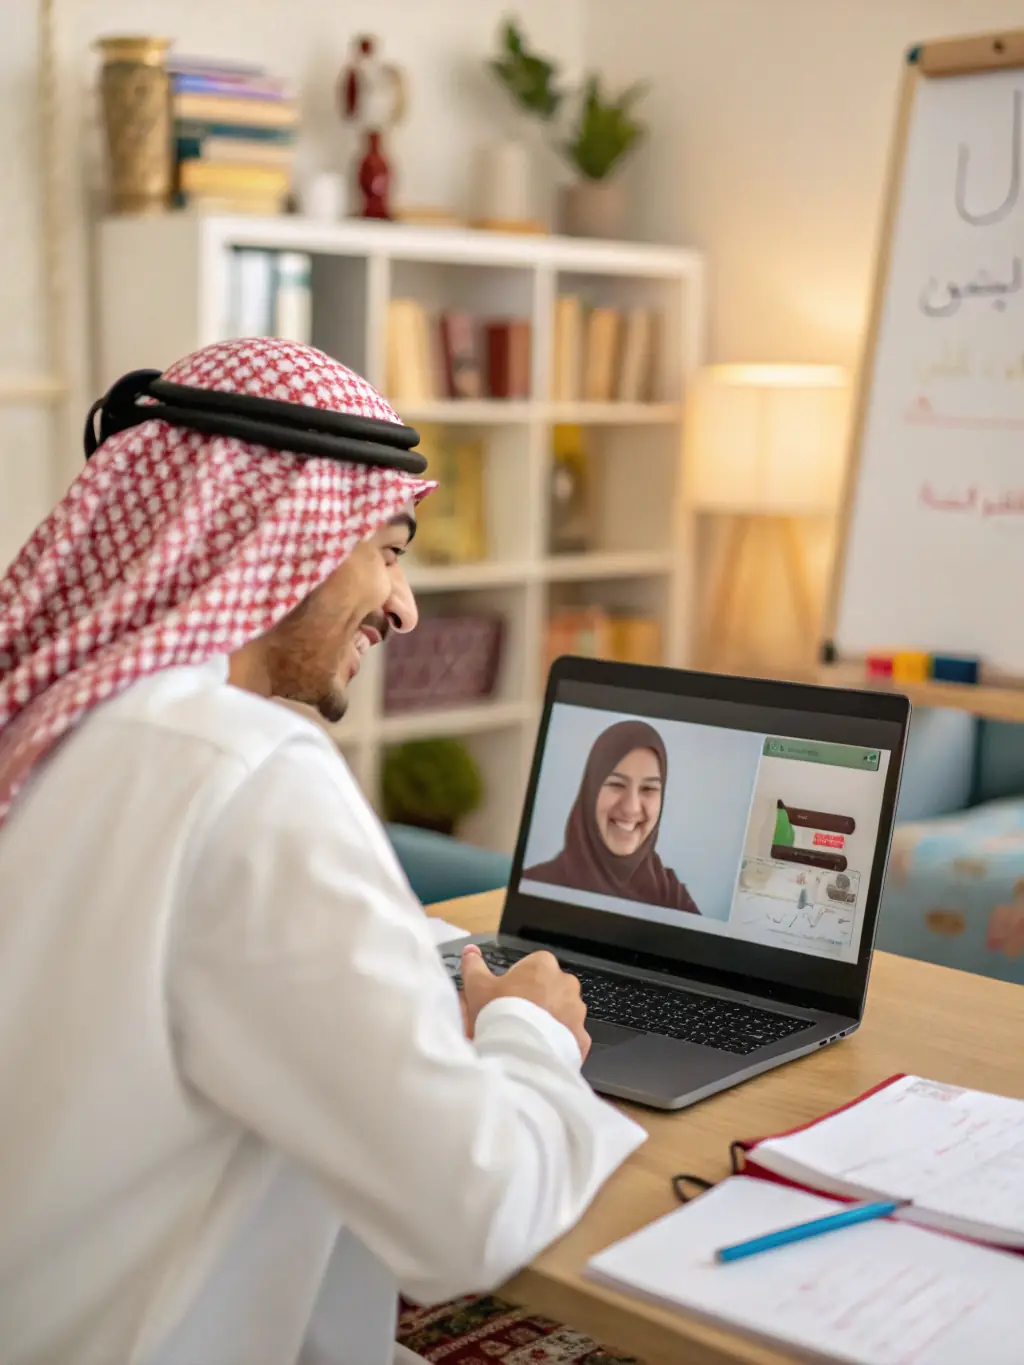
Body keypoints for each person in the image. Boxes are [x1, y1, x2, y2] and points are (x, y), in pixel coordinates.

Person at [0, 338, 645, 1365]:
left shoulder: (57, 723)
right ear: (279, 536)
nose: (404, 605)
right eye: (388, 550)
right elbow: (471, 1213)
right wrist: (526, 1031)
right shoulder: (245, 769)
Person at [525, 718, 700, 914]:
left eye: (648, 788)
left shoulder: (673, 897)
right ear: (590, 791)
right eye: (616, 784)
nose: (631, 808)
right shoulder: (536, 885)